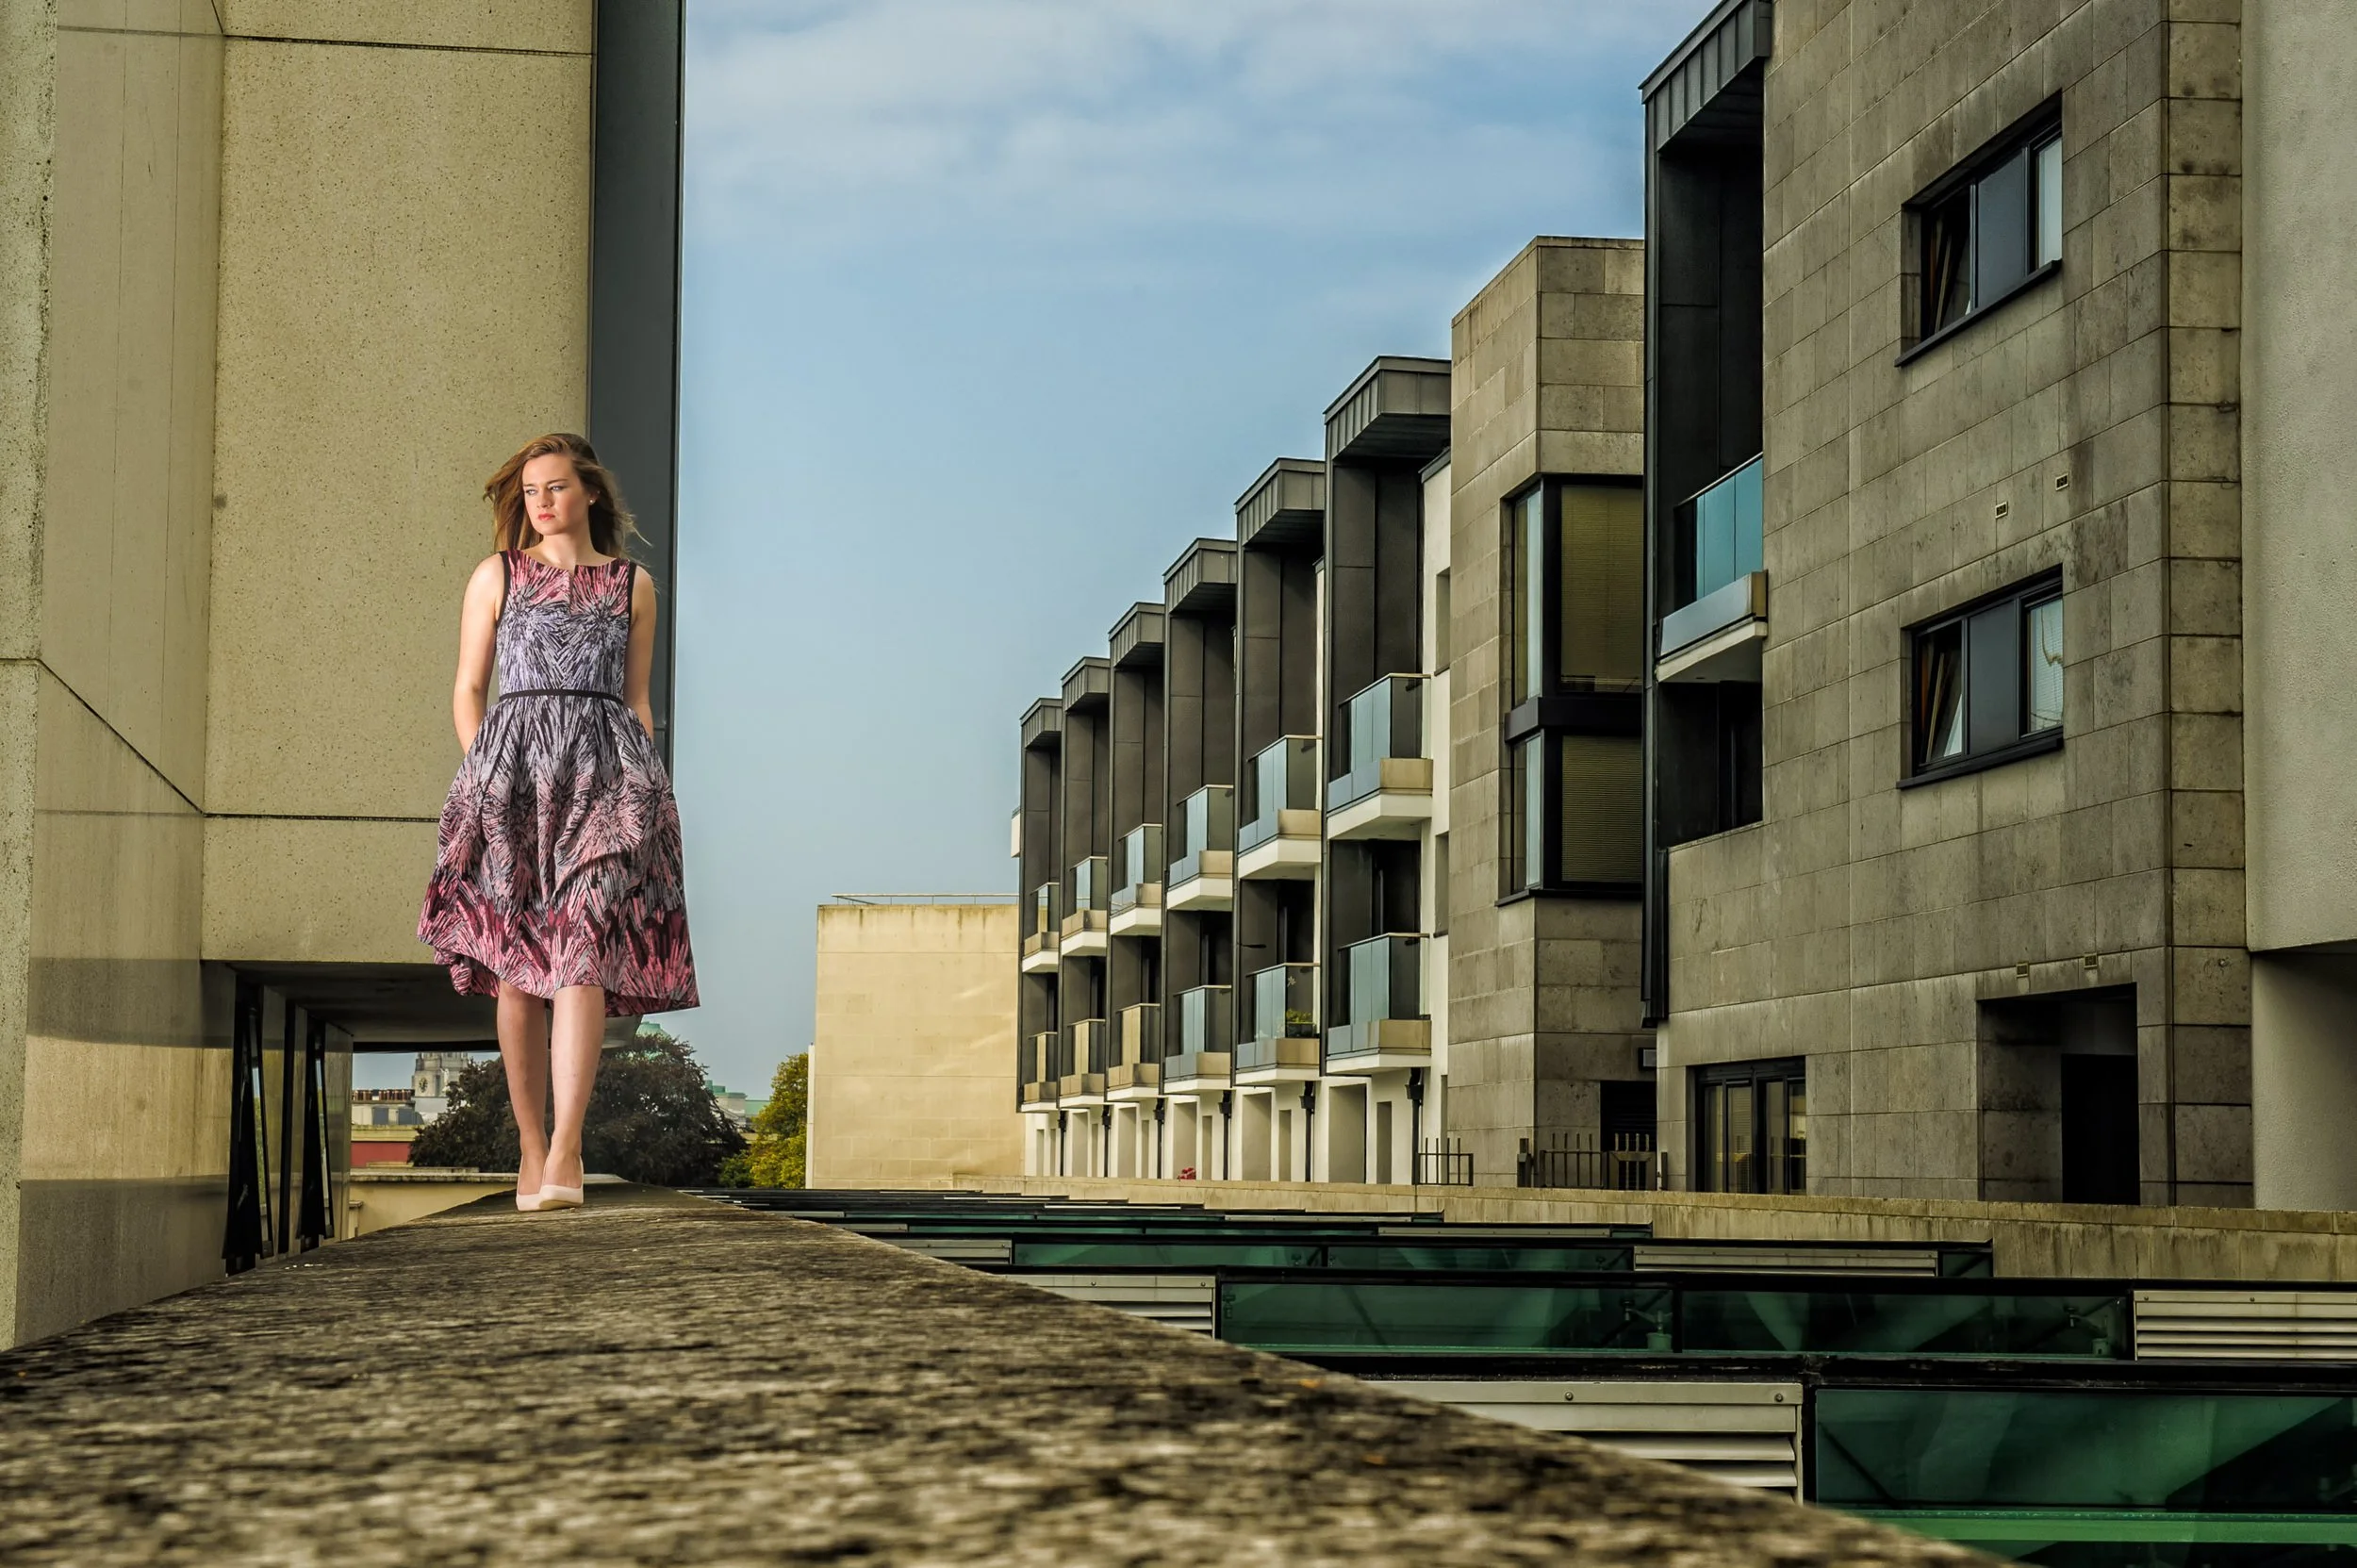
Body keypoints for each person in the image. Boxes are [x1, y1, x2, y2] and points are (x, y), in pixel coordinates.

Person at [418, 433, 698, 1212]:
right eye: (532, 491)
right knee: (519, 964)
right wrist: (484, 774)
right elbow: (469, 688)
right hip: (513, 780)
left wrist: (648, 787)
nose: (542, 502)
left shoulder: (631, 585)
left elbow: (636, 699)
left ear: (591, 494)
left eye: (557, 487)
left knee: (583, 951)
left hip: (608, 779)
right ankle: (531, 1148)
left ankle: (569, 1151)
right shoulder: (498, 575)